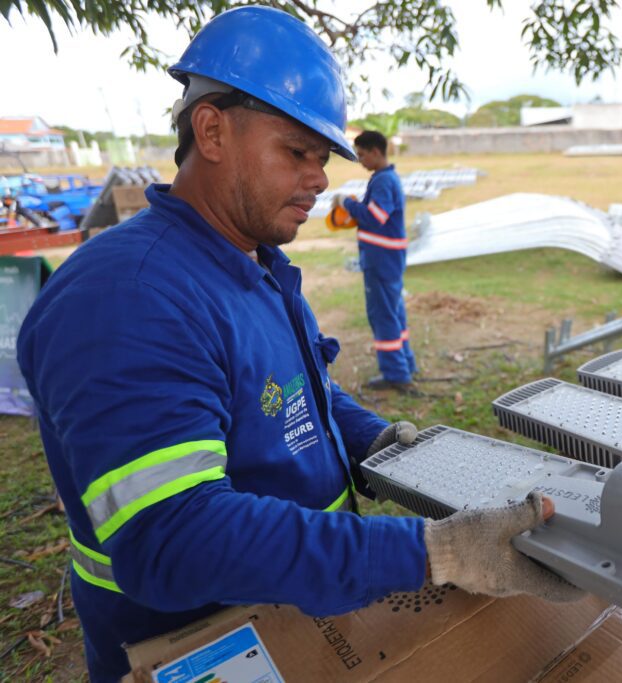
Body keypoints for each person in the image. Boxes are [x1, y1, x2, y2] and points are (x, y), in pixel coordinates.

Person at [16, 8, 578, 682]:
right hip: (195, 643)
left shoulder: (248, 263)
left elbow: (287, 394)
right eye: (296, 151)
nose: (318, 178)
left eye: (323, 157)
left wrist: (376, 440)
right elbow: (174, 537)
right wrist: (438, 552)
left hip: (292, 613)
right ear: (213, 129)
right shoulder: (127, 299)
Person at [333, 131, 417, 391]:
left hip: (381, 259)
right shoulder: (385, 178)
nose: (360, 160)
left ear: (376, 152)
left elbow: (375, 217)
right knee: (393, 312)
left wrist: (346, 203)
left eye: (361, 154)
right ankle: (405, 364)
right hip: (388, 258)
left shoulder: (382, 181)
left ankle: (396, 373)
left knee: (383, 315)